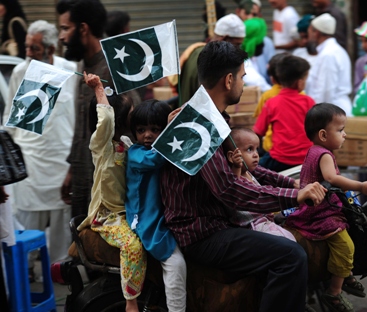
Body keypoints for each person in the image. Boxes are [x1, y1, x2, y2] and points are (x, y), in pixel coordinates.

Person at [161, 40, 327, 312]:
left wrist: (292, 184)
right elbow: (228, 188)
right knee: (292, 256)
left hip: (218, 220)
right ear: (228, 80)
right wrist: (294, 197)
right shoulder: (198, 123)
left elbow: (246, 167)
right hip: (203, 231)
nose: (243, 83)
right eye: (242, 77)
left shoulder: (213, 116)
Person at [285, 103, 367, 312]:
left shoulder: (314, 150)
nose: (344, 135)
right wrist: (360, 186)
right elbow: (331, 178)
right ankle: (334, 293)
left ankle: (345, 274)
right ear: (323, 135)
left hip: (317, 206)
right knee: (346, 245)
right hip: (320, 212)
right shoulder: (325, 154)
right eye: (340, 130)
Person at [4, 20, 76, 282]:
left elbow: (76, 119)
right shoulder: (20, 72)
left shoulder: (71, 70)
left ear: (50, 47)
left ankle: (58, 275)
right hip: (30, 166)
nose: (29, 53)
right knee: (24, 223)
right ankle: (24, 272)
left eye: (34, 48)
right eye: (27, 47)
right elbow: (11, 122)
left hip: (61, 165)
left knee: (60, 229)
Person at [77, 72, 144, 312]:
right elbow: (105, 121)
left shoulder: (126, 142)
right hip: (107, 215)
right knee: (132, 246)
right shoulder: (101, 145)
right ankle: (131, 301)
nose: (133, 112)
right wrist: (98, 90)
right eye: (130, 109)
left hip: (130, 211)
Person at [125, 100, 187, 312]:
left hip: (170, 215)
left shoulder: (165, 150)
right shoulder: (136, 153)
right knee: (175, 263)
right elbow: (154, 160)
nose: (147, 135)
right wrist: (171, 132)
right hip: (147, 220)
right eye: (141, 130)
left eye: (155, 129)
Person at [57, 0, 113, 218]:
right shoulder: (83, 66)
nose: (61, 37)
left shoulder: (112, 68)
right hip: (81, 176)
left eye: (65, 28)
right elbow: (81, 128)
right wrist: (72, 169)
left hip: (105, 182)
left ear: (83, 29)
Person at [223, 127, 296, 241]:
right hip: (252, 227)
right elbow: (236, 188)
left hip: (265, 221)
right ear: (232, 157)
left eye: (256, 149)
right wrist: (236, 166)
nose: (256, 155)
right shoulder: (234, 176)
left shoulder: (248, 173)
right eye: (249, 150)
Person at [254, 54, 314, 172]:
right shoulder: (308, 102)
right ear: (300, 82)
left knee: (253, 172)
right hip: (307, 159)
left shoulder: (271, 103)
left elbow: (258, 132)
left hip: (279, 159)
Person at [176, 13, 246, 106]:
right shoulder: (211, 60)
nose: (237, 49)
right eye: (236, 45)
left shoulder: (197, 52)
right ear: (224, 39)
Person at [306, 13, 352, 116]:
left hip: (332, 113)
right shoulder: (334, 50)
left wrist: (317, 115)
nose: (308, 34)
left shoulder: (328, 54)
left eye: (309, 30)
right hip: (334, 111)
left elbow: (326, 91)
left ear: (316, 32)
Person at [253, 52, 288, 154]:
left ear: (272, 78)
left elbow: (259, 124)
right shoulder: (303, 96)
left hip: (272, 147)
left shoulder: (268, 96)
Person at [235, 0, 275, 84]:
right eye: (247, 13)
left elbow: (272, 73)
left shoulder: (266, 43)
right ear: (238, 12)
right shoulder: (233, 42)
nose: (250, 18)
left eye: (254, 14)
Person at [241, 17, 271, 92]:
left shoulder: (253, 59)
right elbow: (259, 84)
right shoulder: (244, 64)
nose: (263, 44)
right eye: (261, 40)